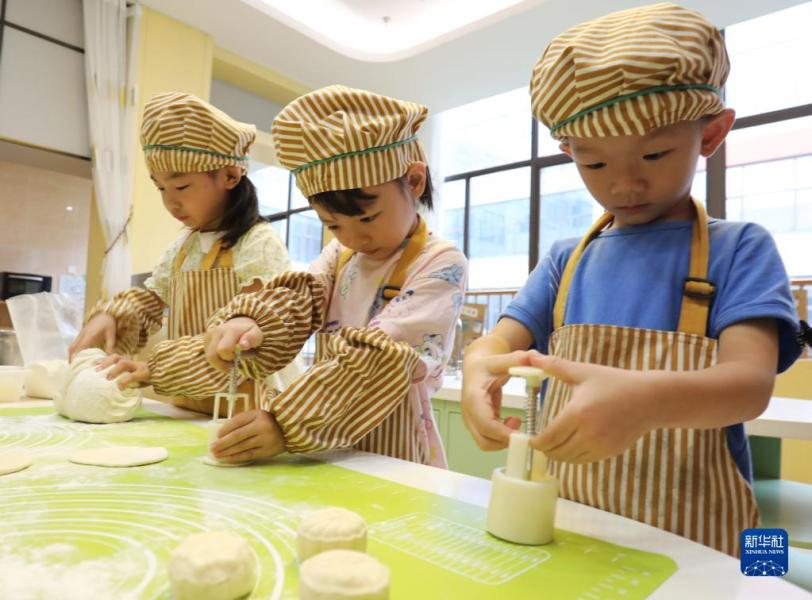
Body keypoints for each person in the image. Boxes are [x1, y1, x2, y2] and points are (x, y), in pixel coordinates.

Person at [461, 3, 803, 557]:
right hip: (571, 530)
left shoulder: (740, 247)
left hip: (701, 542)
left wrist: (645, 402)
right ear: (569, 152)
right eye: (595, 164)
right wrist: (479, 367)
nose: (624, 184)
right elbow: (497, 343)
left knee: (754, 587)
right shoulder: (566, 261)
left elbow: (749, 386)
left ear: (712, 133)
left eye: (654, 153)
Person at [203, 85, 467, 467]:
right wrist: (252, 321)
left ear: (413, 182)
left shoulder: (441, 262)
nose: (354, 238)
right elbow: (299, 299)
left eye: (367, 218)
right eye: (333, 225)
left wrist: (287, 423)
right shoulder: (340, 257)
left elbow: (380, 358)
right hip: (324, 442)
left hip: (395, 453)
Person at [69, 92, 298, 413]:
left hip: (245, 406)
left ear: (230, 176)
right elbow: (149, 301)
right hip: (192, 403)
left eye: (181, 187)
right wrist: (111, 316)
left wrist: (157, 369)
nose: (170, 202)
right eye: (160, 188)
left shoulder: (258, 245)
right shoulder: (182, 249)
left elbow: (247, 335)